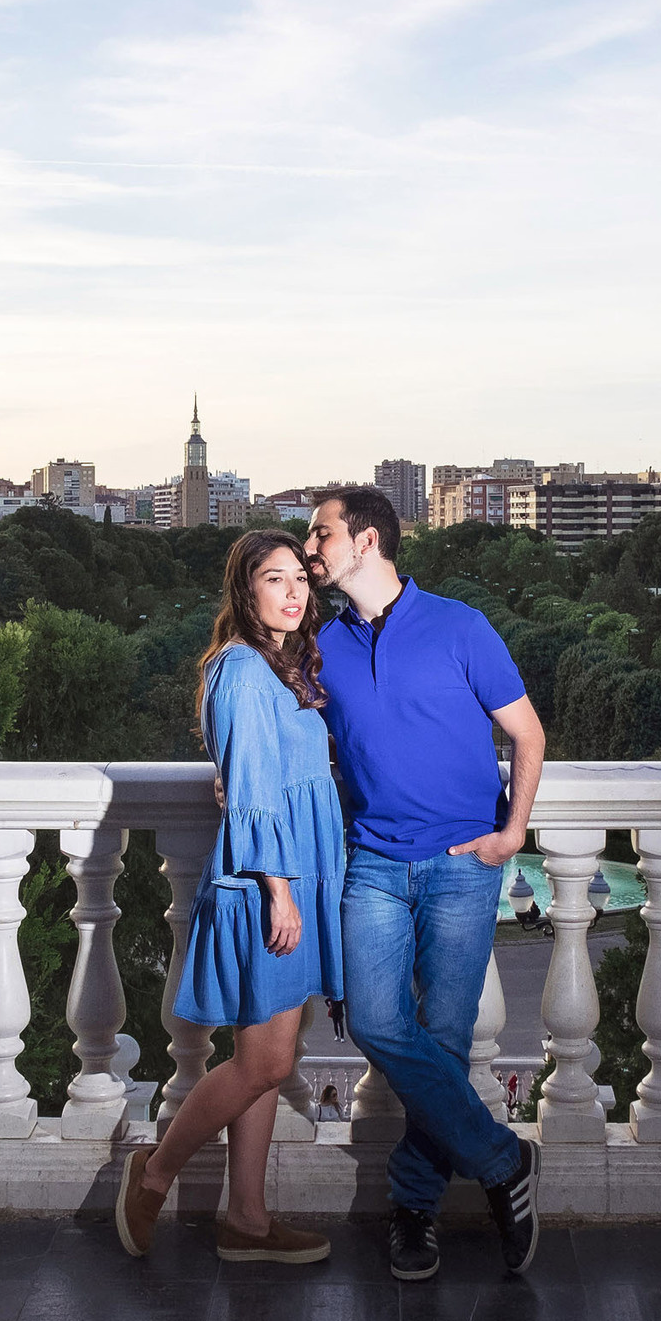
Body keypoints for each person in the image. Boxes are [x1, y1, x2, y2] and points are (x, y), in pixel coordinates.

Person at [304, 485, 545, 1280]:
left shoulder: (459, 626)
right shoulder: (320, 645)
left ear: (366, 540)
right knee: (377, 1024)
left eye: (321, 534)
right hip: (371, 860)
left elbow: (526, 731)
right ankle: (506, 1161)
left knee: (441, 1040)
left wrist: (512, 832)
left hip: (462, 865)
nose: (312, 549)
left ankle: (414, 1207)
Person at [115, 531, 339, 1266]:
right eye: (275, 580)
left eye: (299, 579)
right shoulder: (244, 669)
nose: (294, 592)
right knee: (265, 1064)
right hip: (266, 884)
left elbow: (259, 769)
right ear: (245, 592)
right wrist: (280, 890)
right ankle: (155, 1170)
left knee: (267, 1052)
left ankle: (245, 1216)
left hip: (290, 874)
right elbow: (249, 790)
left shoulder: (280, 666)